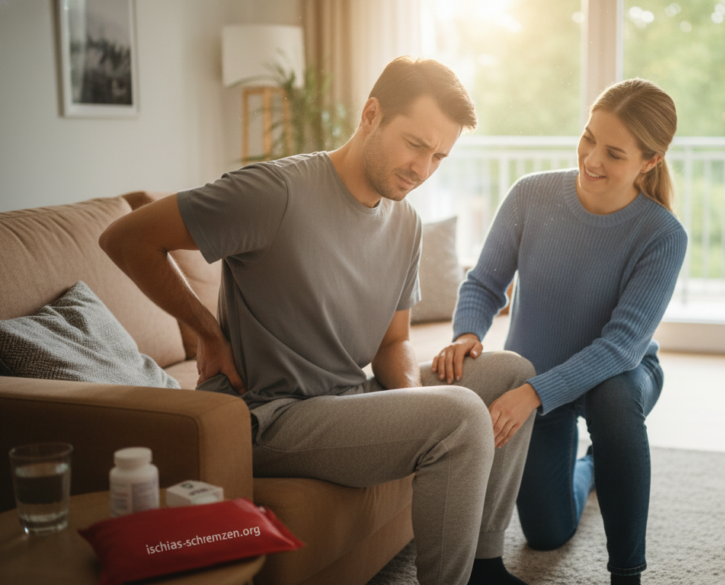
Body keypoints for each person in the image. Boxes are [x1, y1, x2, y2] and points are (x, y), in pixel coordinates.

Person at [100, 56, 536, 585]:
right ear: (371, 114)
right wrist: (205, 332)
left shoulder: (406, 222)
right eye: (415, 145)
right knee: (462, 415)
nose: (422, 169)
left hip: (350, 398)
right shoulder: (275, 193)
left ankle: (486, 564)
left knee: (512, 374)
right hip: (271, 414)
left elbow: (393, 341)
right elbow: (126, 239)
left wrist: (408, 401)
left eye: (439, 157)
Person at [432, 78, 686, 585]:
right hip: (539, 381)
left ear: (649, 162)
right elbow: (484, 283)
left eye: (613, 153)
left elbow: (621, 345)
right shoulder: (532, 194)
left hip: (619, 372)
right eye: (588, 137)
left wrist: (531, 393)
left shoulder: (661, 234)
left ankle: (627, 573)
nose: (591, 158)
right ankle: (592, 469)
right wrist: (466, 335)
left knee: (614, 401)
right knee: (546, 534)